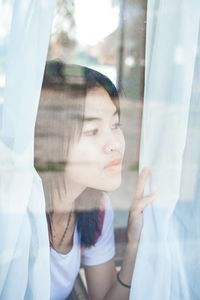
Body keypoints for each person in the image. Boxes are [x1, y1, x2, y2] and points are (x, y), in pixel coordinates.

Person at [36, 61, 155, 300]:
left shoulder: (96, 207)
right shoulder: (17, 213)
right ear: (50, 142)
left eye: (115, 124)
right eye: (93, 131)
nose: (116, 144)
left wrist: (133, 245)